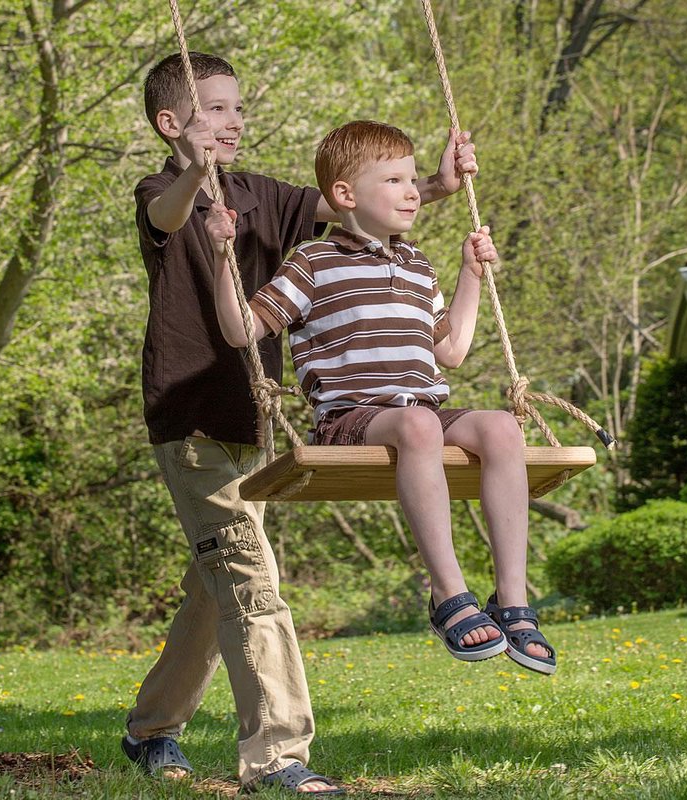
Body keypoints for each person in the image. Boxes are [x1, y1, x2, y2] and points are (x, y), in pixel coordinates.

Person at [125, 53, 480, 795]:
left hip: (247, 419)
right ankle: (277, 754)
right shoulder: (162, 191)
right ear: (171, 125)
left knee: (214, 580)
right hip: (188, 419)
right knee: (252, 579)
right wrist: (194, 174)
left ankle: (150, 730)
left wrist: (439, 184)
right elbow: (170, 214)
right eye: (215, 109)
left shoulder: (261, 194)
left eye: (237, 108)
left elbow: (355, 209)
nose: (234, 121)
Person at [206, 120, 557, 674]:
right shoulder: (313, 262)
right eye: (395, 180)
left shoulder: (417, 265)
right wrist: (221, 260)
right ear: (345, 195)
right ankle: (449, 593)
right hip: (352, 416)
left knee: (499, 428)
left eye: (414, 179)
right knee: (416, 426)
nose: (415, 191)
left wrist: (469, 274)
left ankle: (512, 600)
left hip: (422, 409)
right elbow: (241, 330)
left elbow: (453, 351)